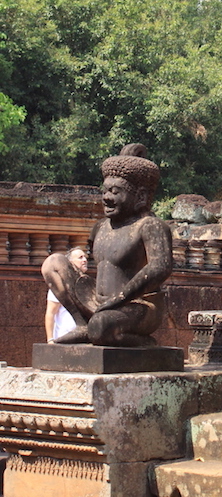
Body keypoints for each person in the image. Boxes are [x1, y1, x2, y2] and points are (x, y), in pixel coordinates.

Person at [41, 143, 173, 347]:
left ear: (140, 197)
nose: (106, 198)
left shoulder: (150, 226)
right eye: (105, 191)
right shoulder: (101, 227)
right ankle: (82, 324)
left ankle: (142, 342)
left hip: (137, 306)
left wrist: (120, 298)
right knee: (53, 263)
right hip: (98, 302)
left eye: (115, 192)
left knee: (101, 326)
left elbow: (160, 267)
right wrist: (99, 300)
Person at [44, 248, 89, 343]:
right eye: (80, 258)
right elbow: (50, 313)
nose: (85, 260)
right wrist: (50, 339)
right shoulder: (59, 285)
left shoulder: (88, 284)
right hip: (64, 338)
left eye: (85, 257)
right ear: (70, 263)